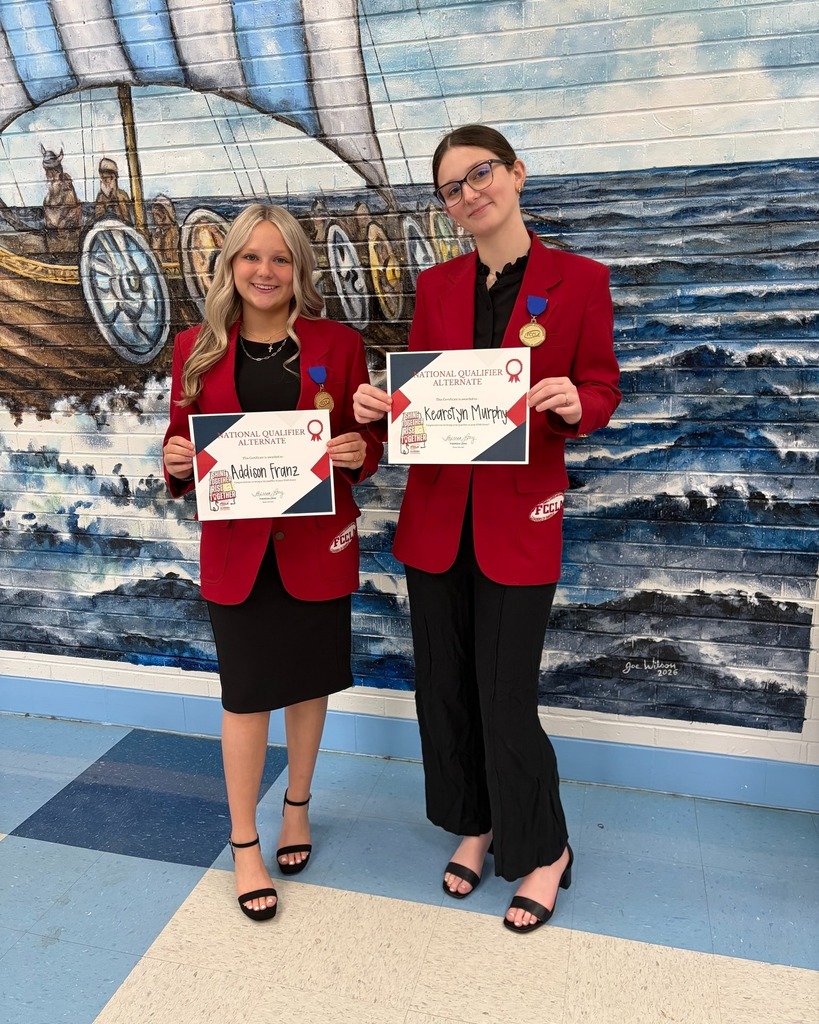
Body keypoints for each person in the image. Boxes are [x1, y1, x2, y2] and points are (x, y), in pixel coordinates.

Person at [353, 125, 620, 933]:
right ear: (445, 208)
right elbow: (425, 409)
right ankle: (476, 823)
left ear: (515, 173)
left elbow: (602, 386)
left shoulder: (579, 281)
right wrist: (380, 410)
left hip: (517, 523)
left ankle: (544, 849)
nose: (469, 193)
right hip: (436, 523)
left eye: (480, 174)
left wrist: (580, 405)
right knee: (446, 690)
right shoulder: (435, 289)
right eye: (451, 188)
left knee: (506, 699)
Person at [163, 204, 383, 921]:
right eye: (250, 257)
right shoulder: (195, 347)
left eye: (280, 258)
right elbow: (180, 447)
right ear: (228, 265)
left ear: (299, 268)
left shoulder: (337, 343)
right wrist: (171, 462)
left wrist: (356, 454)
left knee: (307, 684)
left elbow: (360, 446)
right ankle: (244, 842)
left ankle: (297, 808)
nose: (265, 271)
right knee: (244, 696)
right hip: (237, 551)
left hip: (315, 548)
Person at [41, 146, 82, 233]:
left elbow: (71, 211)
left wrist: (61, 225)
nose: (47, 174)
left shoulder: (66, 186)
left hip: (66, 233)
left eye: (49, 170)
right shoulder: (50, 191)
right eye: (46, 170)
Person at [93, 157, 132, 223]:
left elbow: (127, 218)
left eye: (107, 178)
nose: (105, 181)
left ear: (114, 177)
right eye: (103, 178)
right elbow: (98, 217)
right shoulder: (101, 197)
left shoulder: (122, 195)